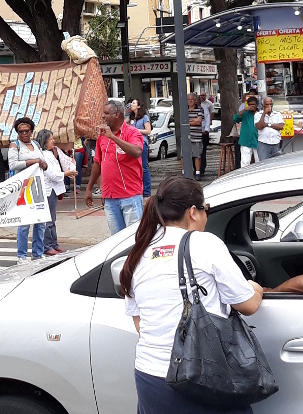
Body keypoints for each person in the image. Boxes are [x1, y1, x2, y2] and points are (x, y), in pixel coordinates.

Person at [120, 176, 263, 414]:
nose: (207, 216)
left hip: (150, 378)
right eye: (206, 209)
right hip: (202, 377)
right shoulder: (204, 243)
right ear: (193, 212)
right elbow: (248, 305)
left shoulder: (139, 252)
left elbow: (140, 323)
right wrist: (255, 288)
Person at [84, 100, 145, 235]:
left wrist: (112, 137)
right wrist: (89, 188)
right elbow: (97, 163)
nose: (103, 116)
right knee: (116, 239)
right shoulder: (102, 136)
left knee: (133, 238)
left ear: (116, 114)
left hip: (130, 196)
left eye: (106, 113)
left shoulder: (132, 132)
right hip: (110, 197)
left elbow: (137, 151)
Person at [9, 117, 46, 261]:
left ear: (31, 131)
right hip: (23, 188)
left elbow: (43, 161)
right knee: (24, 223)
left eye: (27, 131)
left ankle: (37, 253)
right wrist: (33, 161)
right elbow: (13, 165)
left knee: (40, 222)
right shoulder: (15, 145)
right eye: (21, 132)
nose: (24, 134)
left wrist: (43, 164)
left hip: (38, 186)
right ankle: (22, 255)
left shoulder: (36, 144)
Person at [37, 129, 77, 256]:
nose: (53, 141)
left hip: (53, 189)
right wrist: (66, 173)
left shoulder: (50, 154)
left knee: (52, 219)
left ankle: (53, 243)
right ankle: (47, 245)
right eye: (51, 139)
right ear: (45, 141)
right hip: (48, 189)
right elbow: (52, 175)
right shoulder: (43, 155)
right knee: (49, 220)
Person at [129, 99, 152, 197]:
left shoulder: (144, 117)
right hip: (132, 144)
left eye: (134, 103)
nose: (132, 104)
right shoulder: (131, 117)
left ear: (138, 106)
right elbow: (123, 124)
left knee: (144, 167)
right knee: (134, 167)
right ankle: (138, 189)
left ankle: (147, 191)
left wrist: (136, 130)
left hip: (142, 143)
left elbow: (148, 131)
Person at [255, 97, 284, 162]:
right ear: (263, 105)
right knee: (263, 163)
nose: (269, 106)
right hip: (263, 143)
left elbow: (281, 126)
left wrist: (268, 124)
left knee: (277, 163)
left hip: (276, 143)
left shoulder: (277, 114)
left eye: (270, 104)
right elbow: (260, 126)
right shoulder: (258, 115)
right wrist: (264, 114)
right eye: (267, 104)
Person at [234, 94, 260, 167]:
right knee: (245, 162)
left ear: (257, 105)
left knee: (259, 161)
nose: (252, 106)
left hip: (258, 140)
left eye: (253, 104)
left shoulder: (260, 114)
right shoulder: (245, 113)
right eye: (250, 105)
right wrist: (244, 109)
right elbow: (235, 119)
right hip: (246, 140)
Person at [184, 93, 204, 181]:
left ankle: (197, 173)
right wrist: (193, 121)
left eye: (192, 99)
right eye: (189, 99)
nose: (190, 101)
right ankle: (184, 172)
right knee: (184, 155)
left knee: (197, 155)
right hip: (186, 137)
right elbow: (183, 121)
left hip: (196, 136)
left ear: (195, 100)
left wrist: (188, 121)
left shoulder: (199, 109)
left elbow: (199, 121)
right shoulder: (184, 110)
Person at [199, 93, 213, 175]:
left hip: (203, 132)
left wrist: (206, 129)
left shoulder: (208, 105)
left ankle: (202, 169)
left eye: (203, 95)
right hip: (195, 132)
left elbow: (209, 117)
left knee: (203, 151)